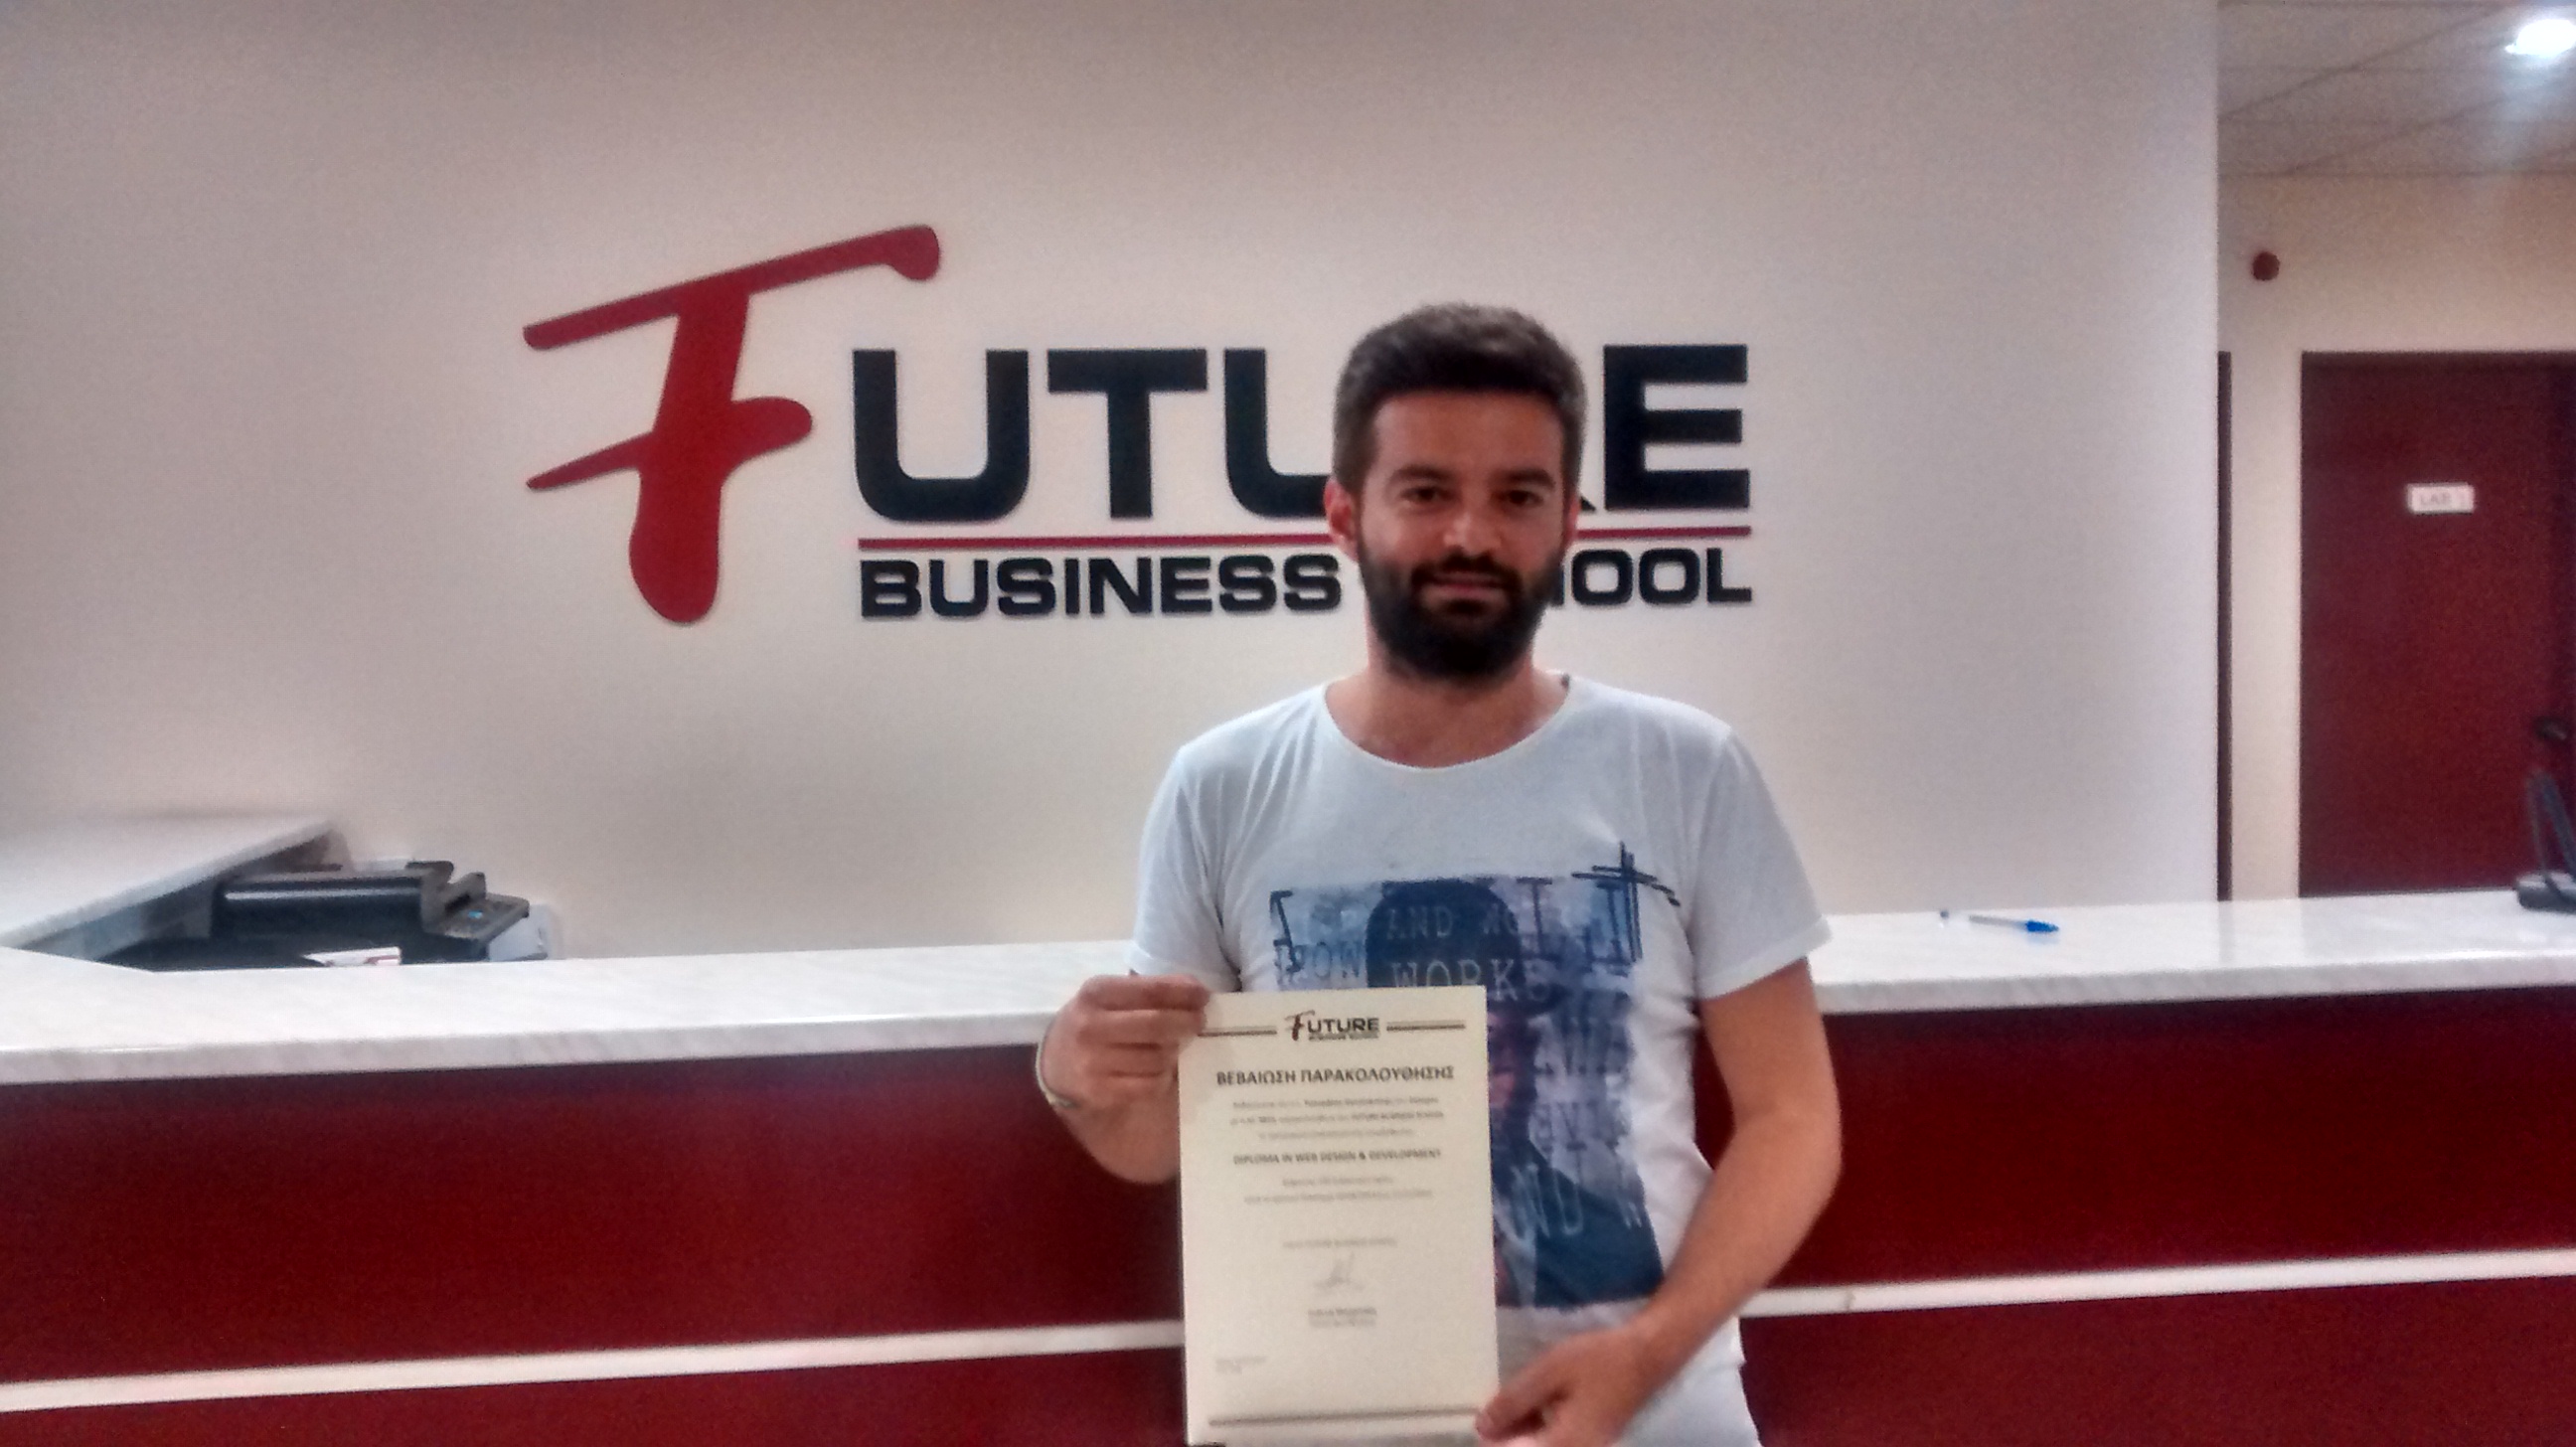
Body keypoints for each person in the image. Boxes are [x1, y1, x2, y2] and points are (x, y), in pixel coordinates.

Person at [1036, 304, 1841, 1447]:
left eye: (1518, 496)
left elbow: (1793, 1116)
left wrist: (1647, 1353)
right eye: (1425, 491)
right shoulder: (1224, 787)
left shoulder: (1687, 769)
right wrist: (1074, 1077)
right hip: (1328, 1416)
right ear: (1344, 514)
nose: (1472, 533)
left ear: (1569, 522)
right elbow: (1160, 1140)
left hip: (1654, 1414)